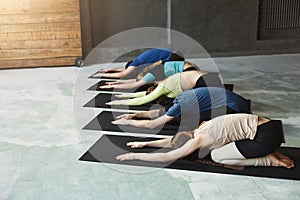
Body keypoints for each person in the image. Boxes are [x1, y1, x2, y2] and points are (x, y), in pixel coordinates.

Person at [116, 114, 294, 169]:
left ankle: (270, 160)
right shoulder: (201, 127)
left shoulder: (200, 140)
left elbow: (167, 156)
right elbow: (172, 142)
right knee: (230, 142)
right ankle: (274, 152)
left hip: (265, 139)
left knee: (218, 156)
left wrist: (134, 156)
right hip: (270, 127)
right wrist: (145, 144)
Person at [111, 87, 251, 130]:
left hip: (235, 107)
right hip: (230, 99)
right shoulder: (181, 96)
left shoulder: (182, 104)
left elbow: (152, 125)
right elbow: (159, 112)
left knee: (193, 124)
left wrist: (128, 123)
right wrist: (133, 115)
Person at [106, 70, 223, 106]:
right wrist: (126, 95)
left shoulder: (162, 87)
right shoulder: (162, 86)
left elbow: (144, 99)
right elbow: (145, 95)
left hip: (206, 81)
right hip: (207, 78)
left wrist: (118, 102)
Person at [99, 60, 198, 90]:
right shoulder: (149, 67)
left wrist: (114, 85)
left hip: (190, 71)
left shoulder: (151, 75)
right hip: (189, 66)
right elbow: (134, 81)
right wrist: (116, 83)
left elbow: (132, 85)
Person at [93, 48, 184, 79]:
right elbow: (124, 68)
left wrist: (102, 75)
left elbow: (121, 74)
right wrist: (110, 70)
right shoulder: (138, 61)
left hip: (174, 57)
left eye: (132, 72)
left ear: (133, 67)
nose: (134, 73)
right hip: (173, 52)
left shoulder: (138, 62)